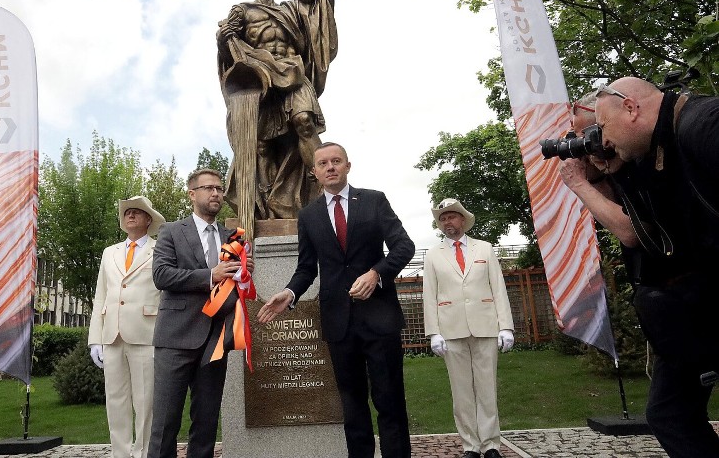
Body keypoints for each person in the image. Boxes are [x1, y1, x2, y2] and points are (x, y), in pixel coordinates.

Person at [257, 142, 415, 458]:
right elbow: (306, 268)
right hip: (339, 324)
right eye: (323, 163)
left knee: (389, 402)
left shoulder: (374, 201)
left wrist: (376, 273)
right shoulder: (309, 216)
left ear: (347, 166)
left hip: (380, 319)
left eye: (336, 161)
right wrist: (289, 293)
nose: (330, 167)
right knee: (353, 406)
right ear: (314, 172)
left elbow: (403, 247)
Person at [591, 76, 719, 456]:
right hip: (695, 306)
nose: (603, 140)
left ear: (631, 107)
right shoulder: (660, 150)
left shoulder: (703, 123)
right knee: (669, 412)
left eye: (603, 127)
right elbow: (652, 224)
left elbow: (634, 233)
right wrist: (608, 175)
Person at [217, 0, 337, 220]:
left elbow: (318, 22)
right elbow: (227, 45)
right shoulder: (242, 10)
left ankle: (326, 191)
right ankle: (267, 204)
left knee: (304, 122)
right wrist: (223, 41)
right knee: (260, 144)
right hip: (260, 81)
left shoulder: (292, 9)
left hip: (293, 74)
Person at [147, 168, 253, 458]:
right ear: (192, 194)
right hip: (175, 338)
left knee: (206, 423)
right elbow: (162, 275)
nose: (216, 193)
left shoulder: (232, 236)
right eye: (208, 188)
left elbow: (237, 283)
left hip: (216, 339)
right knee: (165, 423)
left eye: (219, 188)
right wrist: (211, 275)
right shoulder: (170, 231)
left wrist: (243, 273)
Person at [422, 199, 514, 458]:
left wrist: (505, 326)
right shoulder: (433, 254)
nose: (447, 222)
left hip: (486, 326)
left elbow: (498, 288)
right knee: (461, 391)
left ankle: (491, 444)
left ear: (463, 219)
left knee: (487, 388)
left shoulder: (484, 249)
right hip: (450, 331)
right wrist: (433, 332)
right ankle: (471, 446)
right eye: (442, 218)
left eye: (451, 216)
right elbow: (430, 294)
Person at [88, 196, 165, 458]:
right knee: (116, 401)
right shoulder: (110, 252)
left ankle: (144, 453)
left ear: (148, 220)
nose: (130, 215)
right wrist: (95, 339)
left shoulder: (160, 249)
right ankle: (120, 454)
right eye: (127, 212)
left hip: (146, 334)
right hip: (112, 336)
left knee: (146, 403)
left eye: (137, 212)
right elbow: (101, 295)